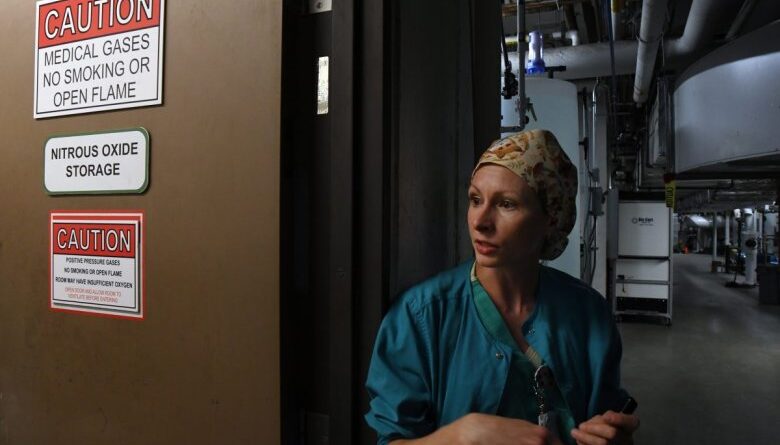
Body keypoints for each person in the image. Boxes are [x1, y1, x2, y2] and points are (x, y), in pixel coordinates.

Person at [364, 129, 639, 445]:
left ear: (550, 218)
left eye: (506, 204)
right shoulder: (421, 317)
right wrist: (459, 436)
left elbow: (606, 419)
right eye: (475, 199)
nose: (480, 221)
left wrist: (617, 437)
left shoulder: (588, 314)